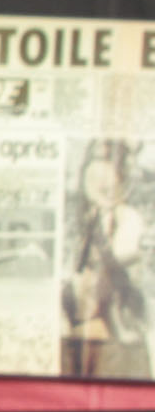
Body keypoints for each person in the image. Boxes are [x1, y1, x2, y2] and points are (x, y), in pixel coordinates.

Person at [60, 139, 149, 378]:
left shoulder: (127, 218)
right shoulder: (80, 217)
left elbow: (126, 259)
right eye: (95, 184)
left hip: (117, 315)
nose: (103, 189)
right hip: (81, 316)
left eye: (109, 185)